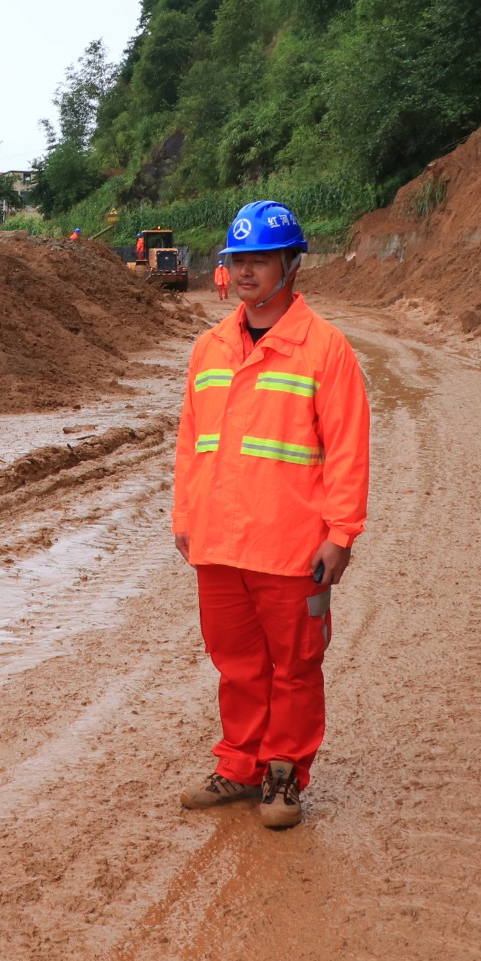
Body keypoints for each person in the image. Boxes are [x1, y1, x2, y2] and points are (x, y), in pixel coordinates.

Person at [171, 201, 369, 829]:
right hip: (219, 543)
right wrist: (185, 516)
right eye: (237, 259)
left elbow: (346, 448)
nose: (246, 271)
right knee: (237, 665)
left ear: (290, 264)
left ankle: (284, 772)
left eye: (260, 258)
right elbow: (190, 440)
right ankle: (239, 764)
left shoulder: (325, 351)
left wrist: (341, 533)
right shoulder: (210, 348)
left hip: (290, 547)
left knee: (295, 665)